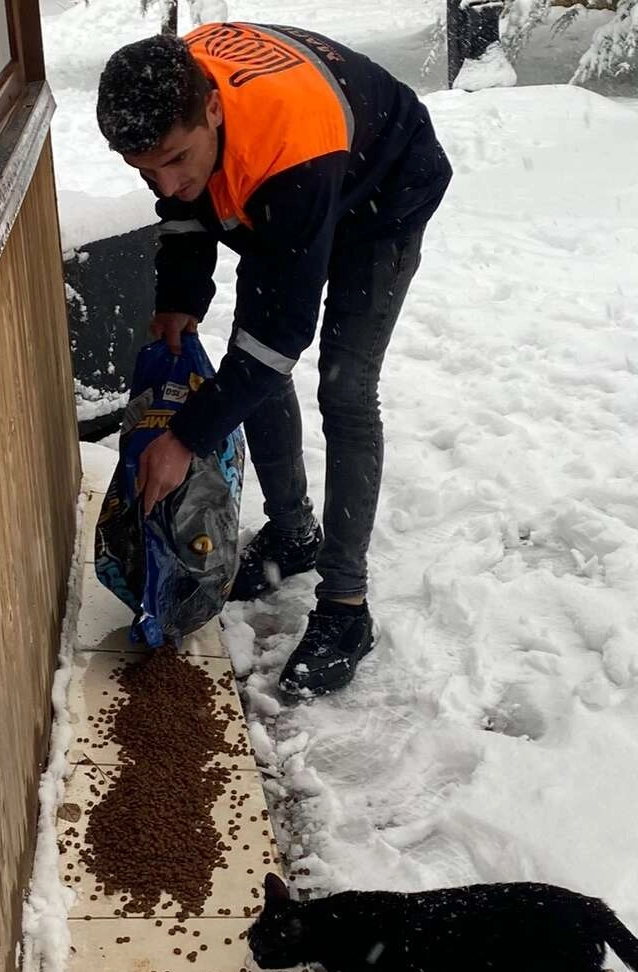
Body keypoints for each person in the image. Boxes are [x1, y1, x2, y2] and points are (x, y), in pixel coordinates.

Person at [96, 22, 451, 700]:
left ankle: (345, 607)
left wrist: (185, 437)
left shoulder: (287, 155)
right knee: (249, 359)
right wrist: (179, 297)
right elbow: (186, 209)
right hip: (293, 179)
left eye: (176, 159)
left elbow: (279, 340)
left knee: (345, 389)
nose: (167, 183)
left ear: (211, 109)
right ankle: (293, 535)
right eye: (145, 171)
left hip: (385, 189)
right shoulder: (172, 93)